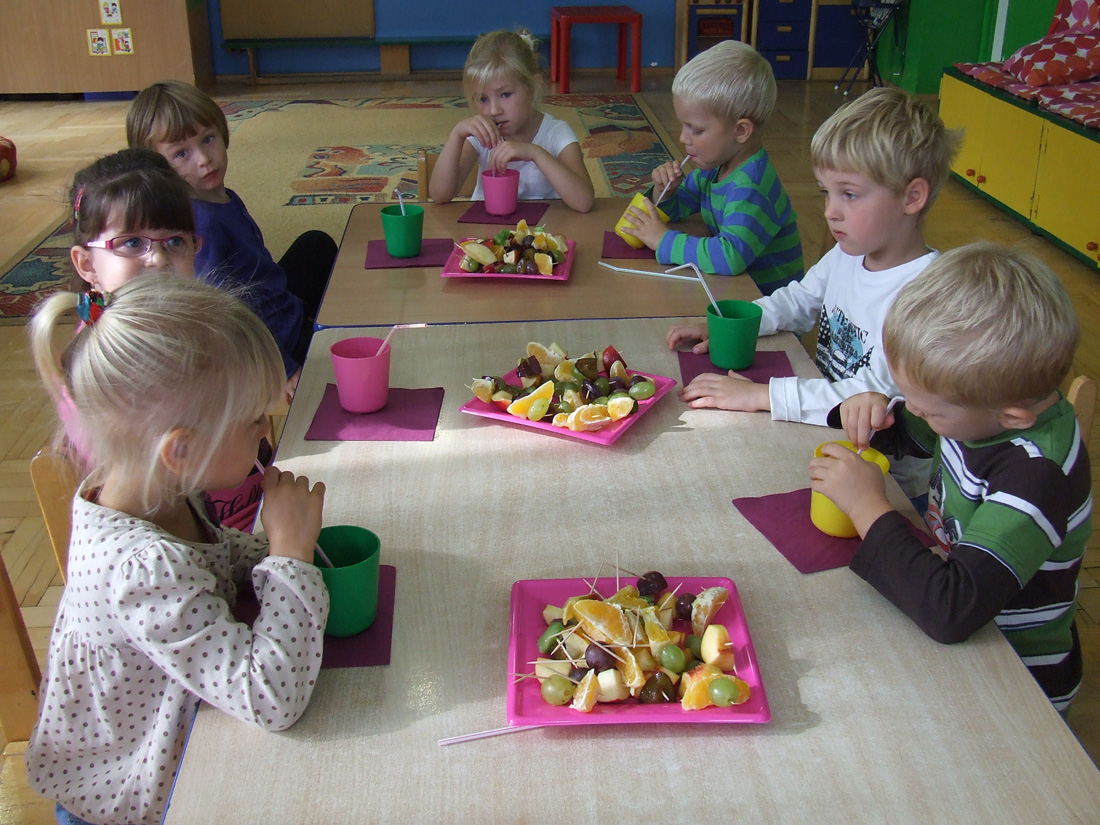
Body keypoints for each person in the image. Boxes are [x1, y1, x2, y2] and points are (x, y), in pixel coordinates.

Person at [25, 276, 329, 825]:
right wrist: (289, 557)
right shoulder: (142, 568)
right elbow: (270, 698)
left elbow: (210, 558)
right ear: (181, 450)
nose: (266, 433)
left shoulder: (153, 492)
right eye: (253, 421)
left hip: (178, 737)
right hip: (136, 797)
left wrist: (279, 546)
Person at [810, 243, 1089, 712]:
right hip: (958, 616)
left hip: (1016, 678)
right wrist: (877, 416)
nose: (916, 411)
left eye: (930, 410)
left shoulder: (1037, 477)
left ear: (1012, 418)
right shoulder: (981, 409)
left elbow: (949, 610)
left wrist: (865, 506)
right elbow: (912, 434)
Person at [667, 86, 960, 503]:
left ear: (912, 197)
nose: (830, 211)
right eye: (826, 192)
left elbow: (874, 395)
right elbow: (799, 300)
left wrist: (762, 395)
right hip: (824, 431)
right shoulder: (849, 253)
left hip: (884, 483)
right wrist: (737, 323)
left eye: (849, 194)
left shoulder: (929, 295)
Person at [61, 147, 271, 532]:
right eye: (131, 243)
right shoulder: (103, 361)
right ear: (87, 265)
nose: (157, 259)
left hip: (247, 507)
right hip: (206, 526)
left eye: (174, 242)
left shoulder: (199, 326)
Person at [126, 79, 338, 400]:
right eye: (181, 153)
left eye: (208, 139)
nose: (203, 159)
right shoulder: (201, 226)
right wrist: (280, 368)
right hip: (265, 340)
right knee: (349, 351)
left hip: (277, 303)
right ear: (158, 168)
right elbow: (226, 313)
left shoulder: (221, 196)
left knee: (315, 245)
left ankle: (312, 316)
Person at [620, 40, 803, 295]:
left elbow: (730, 257)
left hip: (767, 304)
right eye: (683, 126)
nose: (683, 138)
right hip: (733, 291)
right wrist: (666, 192)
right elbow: (679, 208)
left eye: (696, 130)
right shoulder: (713, 168)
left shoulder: (752, 187)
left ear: (740, 131)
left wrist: (663, 240)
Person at [428, 29, 594, 212]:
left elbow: (584, 202)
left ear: (533, 88)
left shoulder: (556, 133)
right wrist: (457, 135)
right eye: (483, 99)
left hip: (544, 229)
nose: (494, 110)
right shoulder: (481, 135)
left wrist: (535, 153)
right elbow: (439, 195)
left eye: (505, 95)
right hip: (486, 229)